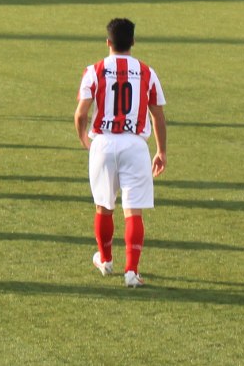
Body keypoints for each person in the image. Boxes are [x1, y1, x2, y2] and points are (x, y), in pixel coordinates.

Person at [75, 18, 167, 287]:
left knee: (104, 206)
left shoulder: (94, 71)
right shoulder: (147, 72)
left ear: (108, 42)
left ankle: (105, 260)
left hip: (103, 143)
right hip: (135, 145)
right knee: (133, 211)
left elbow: (81, 114)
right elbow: (158, 115)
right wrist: (161, 151)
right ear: (133, 42)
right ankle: (131, 272)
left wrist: (84, 139)